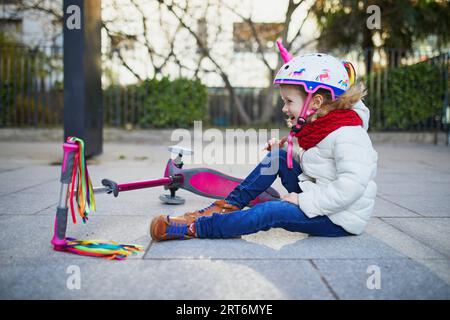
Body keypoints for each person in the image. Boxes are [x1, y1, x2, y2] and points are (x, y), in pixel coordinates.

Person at [150, 40, 378, 241]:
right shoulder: (323, 126)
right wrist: (292, 151)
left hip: (337, 218)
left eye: (289, 101)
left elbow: (351, 186)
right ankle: (225, 208)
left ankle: (197, 227)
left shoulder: (348, 134)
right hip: (319, 196)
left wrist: (303, 201)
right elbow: (322, 163)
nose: (284, 107)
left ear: (316, 102)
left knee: (273, 211)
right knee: (278, 157)